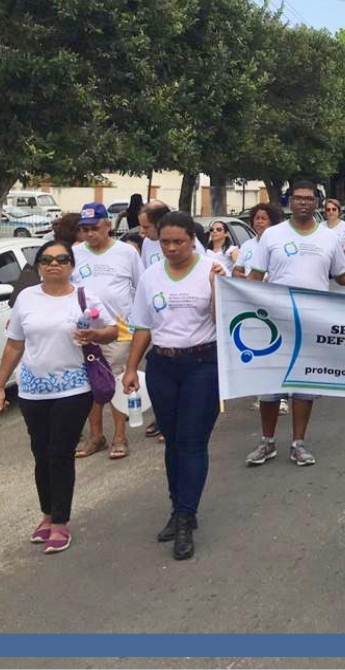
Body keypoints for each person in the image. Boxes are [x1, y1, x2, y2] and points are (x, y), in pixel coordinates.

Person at [0, 239, 116, 553]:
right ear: (39, 266)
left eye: (61, 259)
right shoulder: (26, 299)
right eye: (46, 260)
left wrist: (94, 334)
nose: (53, 265)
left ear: (71, 265)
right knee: (40, 453)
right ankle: (46, 515)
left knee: (60, 452)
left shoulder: (85, 297)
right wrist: (0, 385)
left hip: (74, 388)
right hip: (32, 390)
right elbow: (14, 344)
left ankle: (60, 521)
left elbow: (113, 330)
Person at [246, 181, 345, 467]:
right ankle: (267, 442)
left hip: (312, 321)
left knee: (304, 384)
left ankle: (298, 443)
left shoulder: (329, 238)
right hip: (276, 322)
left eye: (309, 199)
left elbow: (342, 276)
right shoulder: (271, 235)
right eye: (297, 198)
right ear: (289, 202)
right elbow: (254, 278)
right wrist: (235, 300)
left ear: (316, 202)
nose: (303, 203)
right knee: (269, 384)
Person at [122, 213, 226, 560]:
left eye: (178, 241)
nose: (171, 248)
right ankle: (176, 506)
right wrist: (131, 367)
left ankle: (186, 517)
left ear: (192, 240)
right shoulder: (151, 276)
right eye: (165, 241)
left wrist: (216, 289)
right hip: (163, 365)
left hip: (203, 364)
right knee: (172, 441)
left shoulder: (211, 270)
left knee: (193, 441)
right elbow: (143, 325)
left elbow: (224, 320)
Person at [72, 203, 143, 462]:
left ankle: (120, 436)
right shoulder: (74, 253)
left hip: (120, 328)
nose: (90, 234)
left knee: (117, 380)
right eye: (84, 229)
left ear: (108, 226)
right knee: (91, 382)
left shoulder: (127, 253)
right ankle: (96, 436)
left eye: (95, 228)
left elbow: (141, 287)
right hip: (85, 329)